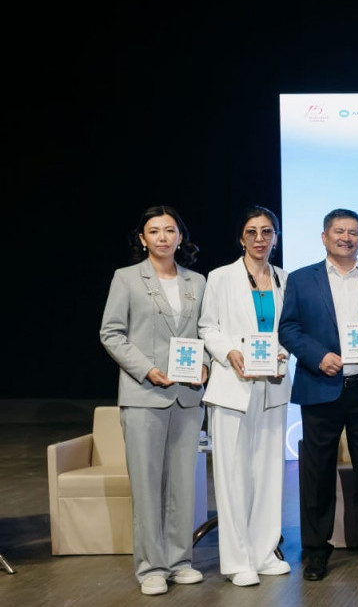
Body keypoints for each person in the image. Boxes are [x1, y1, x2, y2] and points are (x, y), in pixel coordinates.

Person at [278, 208, 358, 581]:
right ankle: (316, 551)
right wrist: (318, 357)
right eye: (339, 231)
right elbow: (289, 328)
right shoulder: (302, 279)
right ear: (324, 237)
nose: (347, 238)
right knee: (316, 474)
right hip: (321, 387)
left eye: (353, 232)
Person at [99, 205, 208, 596]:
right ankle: (151, 568)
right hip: (144, 394)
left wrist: (207, 364)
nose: (163, 237)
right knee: (147, 485)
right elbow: (111, 333)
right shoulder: (126, 278)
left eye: (170, 230)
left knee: (183, 484)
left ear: (181, 236)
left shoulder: (198, 281)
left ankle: (180, 561)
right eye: (155, 231)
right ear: (142, 238)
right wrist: (147, 370)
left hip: (187, 396)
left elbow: (207, 331)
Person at [197, 205, 292, 587]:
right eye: (252, 232)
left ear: (275, 237)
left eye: (267, 231)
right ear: (241, 238)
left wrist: (284, 352)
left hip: (272, 385)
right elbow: (208, 327)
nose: (259, 239)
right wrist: (230, 353)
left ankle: (264, 553)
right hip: (231, 386)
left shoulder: (285, 278)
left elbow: (290, 329)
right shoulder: (220, 277)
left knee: (269, 473)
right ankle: (238, 561)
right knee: (233, 474)